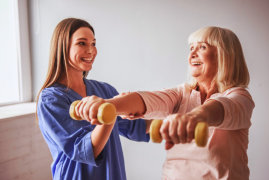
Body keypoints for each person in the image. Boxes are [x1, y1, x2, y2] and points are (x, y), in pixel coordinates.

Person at [74, 26, 255, 180]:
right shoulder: (182, 94)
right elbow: (148, 99)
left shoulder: (239, 97)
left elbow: (220, 107)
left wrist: (194, 117)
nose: (192, 53)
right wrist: (107, 105)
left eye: (202, 47)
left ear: (224, 56)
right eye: (191, 47)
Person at [36, 18, 150, 180]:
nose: (91, 50)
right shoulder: (51, 99)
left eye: (94, 44)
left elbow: (136, 126)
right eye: (82, 43)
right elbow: (86, 150)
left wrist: (176, 111)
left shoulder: (105, 90)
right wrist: (110, 113)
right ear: (63, 47)